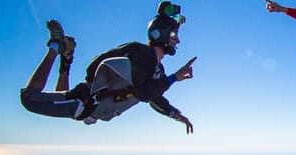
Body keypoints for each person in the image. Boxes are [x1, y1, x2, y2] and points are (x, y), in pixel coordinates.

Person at [19, 1, 195, 134]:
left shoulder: (155, 69)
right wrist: (175, 78)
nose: (177, 40)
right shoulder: (144, 56)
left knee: (61, 92)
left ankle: (67, 56)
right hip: (85, 102)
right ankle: (56, 47)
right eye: (174, 35)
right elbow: (144, 93)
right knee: (29, 99)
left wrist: (178, 116)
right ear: (161, 34)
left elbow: (154, 97)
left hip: (89, 105)